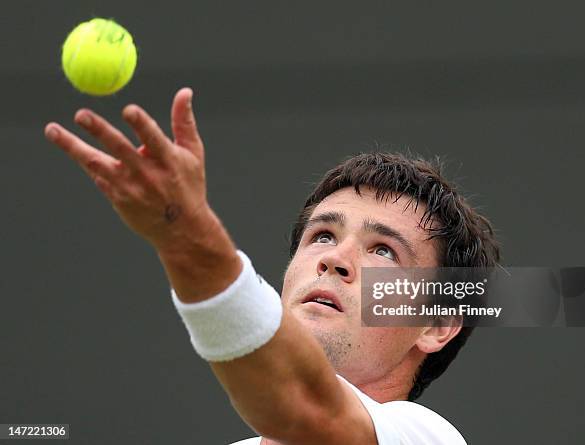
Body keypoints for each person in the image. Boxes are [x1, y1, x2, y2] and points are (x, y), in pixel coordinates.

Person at [44, 88, 500, 444]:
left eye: (384, 251)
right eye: (322, 236)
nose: (334, 260)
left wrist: (184, 233)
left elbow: (301, 406)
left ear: (436, 326)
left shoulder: (425, 437)